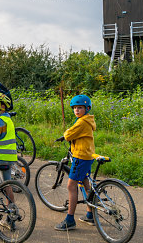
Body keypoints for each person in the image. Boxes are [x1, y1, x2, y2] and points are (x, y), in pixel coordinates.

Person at [54, 94, 96, 231]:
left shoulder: (82, 122)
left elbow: (68, 135)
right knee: (84, 182)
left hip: (80, 157)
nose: (77, 110)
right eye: (75, 108)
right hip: (87, 155)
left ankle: (70, 220)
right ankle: (90, 214)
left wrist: (65, 134)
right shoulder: (87, 120)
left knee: (71, 186)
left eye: (80, 108)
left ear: (87, 108)